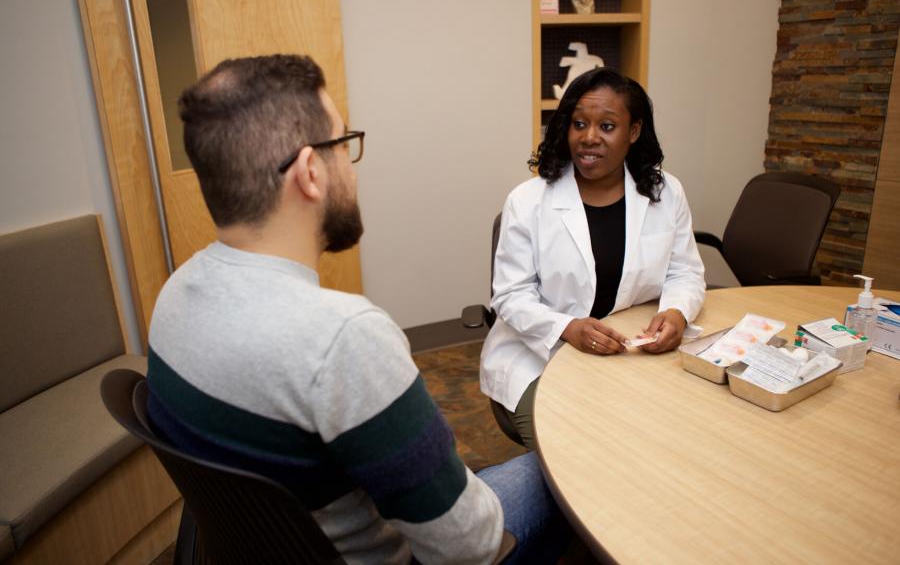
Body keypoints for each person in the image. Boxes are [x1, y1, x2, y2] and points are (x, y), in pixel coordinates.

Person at [145, 54, 570, 564]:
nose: (352, 163)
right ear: (309, 173)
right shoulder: (343, 338)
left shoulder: (174, 295)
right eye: (343, 144)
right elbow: (471, 548)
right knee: (572, 459)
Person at [481, 68, 706, 450]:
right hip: (538, 356)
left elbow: (684, 271)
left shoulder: (665, 192)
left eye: (606, 126)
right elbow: (510, 297)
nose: (589, 137)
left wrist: (677, 313)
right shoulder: (528, 200)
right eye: (579, 124)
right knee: (579, 453)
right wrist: (568, 328)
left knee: (674, 436)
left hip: (629, 347)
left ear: (633, 132)